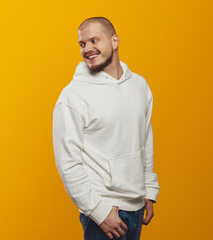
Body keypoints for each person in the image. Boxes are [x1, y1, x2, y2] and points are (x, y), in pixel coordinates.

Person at [52, 17, 160, 240]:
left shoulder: (140, 85)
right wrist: (99, 212)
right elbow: (68, 163)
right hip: (104, 212)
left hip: (137, 206)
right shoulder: (73, 96)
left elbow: (144, 139)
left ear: (114, 41)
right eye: (82, 44)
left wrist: (149, 189)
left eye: (94, 40)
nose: (87, 49)